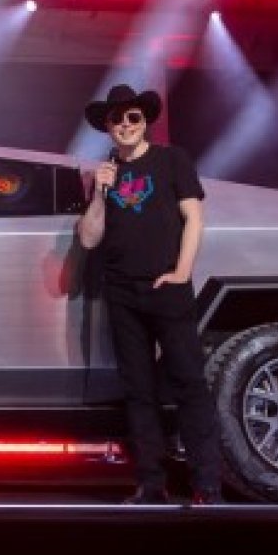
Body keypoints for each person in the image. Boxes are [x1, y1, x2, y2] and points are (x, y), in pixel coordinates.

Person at [75, 83, 224, 505]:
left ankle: (207, 485)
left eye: (133, 117)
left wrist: (181, 273)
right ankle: (151, 484)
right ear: (108, 127)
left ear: (145, 122)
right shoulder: (104, 174)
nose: (125, 124)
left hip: (167, 288)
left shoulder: (171, 160)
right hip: (122, 293)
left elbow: (194, 218)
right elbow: (88, 239)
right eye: (117, 119)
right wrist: (100, 194)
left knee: (189, 383)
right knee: (138, 391)